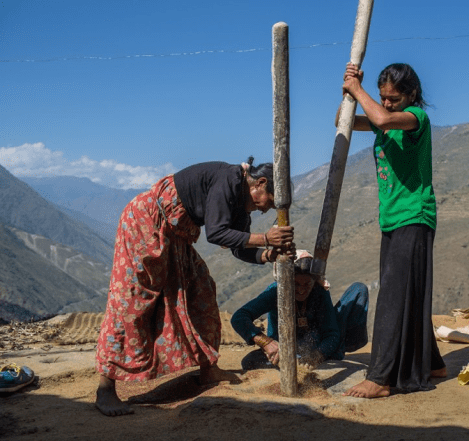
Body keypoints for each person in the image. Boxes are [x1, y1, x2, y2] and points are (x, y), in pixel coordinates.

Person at [95, 158, 294, 416]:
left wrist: (267, 254)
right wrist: (265, 238)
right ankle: (105, 389)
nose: (267, 210)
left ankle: (208, 370)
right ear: (261, 183)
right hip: (146, 224)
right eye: (271, 201)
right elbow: (216, 233)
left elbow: (238, 245)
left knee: (201, 288)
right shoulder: (229, 180)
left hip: (177, 234)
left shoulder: (242, 205)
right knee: (131, 302)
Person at [339, 62, 446, 399]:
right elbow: (343, 122)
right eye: (383, 98)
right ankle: (431, 362)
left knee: (392, 298)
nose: (386, 105)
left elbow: (381, 119)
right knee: (405, 292)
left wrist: (359, 90)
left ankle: (381, 377)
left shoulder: (415, 118)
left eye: (393, 99)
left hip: (413, 216)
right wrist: (348, 92)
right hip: (392, 218)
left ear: (411, 95)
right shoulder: (385, 118)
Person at [231, 250, 369, 370]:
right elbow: (239, 317)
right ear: (286, 281)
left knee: (359, 289)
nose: (301, 290)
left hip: (317, 344)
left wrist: (317, 355)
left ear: (314, 282)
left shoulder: (319, 291)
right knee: (249, 362)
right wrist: (266, 342)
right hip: (284, 348)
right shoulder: (275, 292)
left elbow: (331, 333)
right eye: (295, 284)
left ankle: (331, 353)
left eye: (306, 284)